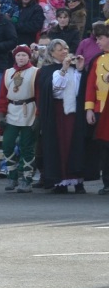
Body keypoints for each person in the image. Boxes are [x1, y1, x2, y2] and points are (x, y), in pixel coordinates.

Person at [38, 39, 89, 193]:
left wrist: (80, 70)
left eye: (66, 48)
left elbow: (80, 89)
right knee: (60, 145)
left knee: (76, 145)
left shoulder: (74, 68)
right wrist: (63, 70)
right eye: (59, 49)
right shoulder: (48, 70)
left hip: (75, 112)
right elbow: (55, 89)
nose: (64, 52)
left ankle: (78, 181)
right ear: (52, 52)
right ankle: (61, 182)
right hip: (57, 112)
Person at [0, 45, 40, 193]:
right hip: (12, 110)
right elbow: (2, 96)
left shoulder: (35, 72)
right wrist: (1, 115)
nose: (21, 58)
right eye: (18, 55)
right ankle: (12, 175)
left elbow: (39, 96)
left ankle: (26, 179)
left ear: (29, 57)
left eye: (24, 55)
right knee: (8, 144)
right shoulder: (8, 73)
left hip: (29, 110)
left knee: (27, 146)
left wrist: (38, 117)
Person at [85, 23, 109, 193]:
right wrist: (89, 109)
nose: (98, 42)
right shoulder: (98, 59)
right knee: (104, 147)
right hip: (101, 108)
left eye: (101, 38)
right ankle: (107, 182)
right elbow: (90, 86)